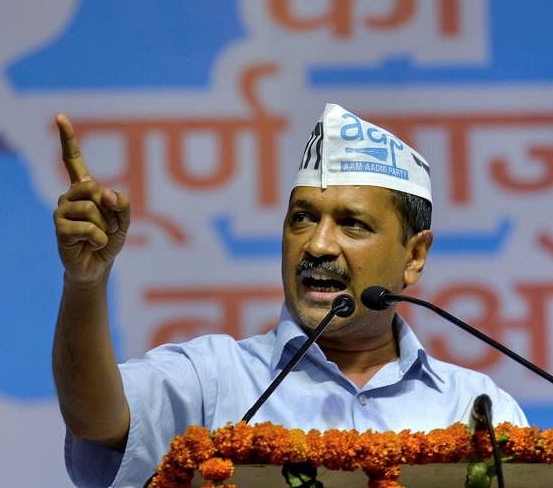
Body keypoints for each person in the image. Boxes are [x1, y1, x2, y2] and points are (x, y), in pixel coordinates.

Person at [53, 103, 527, 487]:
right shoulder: (216, 380)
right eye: (302, 217)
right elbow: (95, 417)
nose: (317, 245)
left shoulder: (477, 408)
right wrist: (86, 282)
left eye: (352, 224)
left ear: (414, 256)